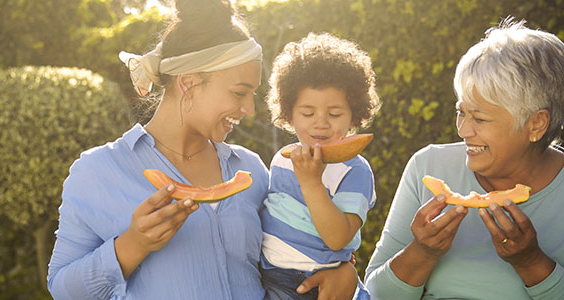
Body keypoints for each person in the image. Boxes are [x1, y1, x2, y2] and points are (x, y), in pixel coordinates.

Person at [47, 1, 359, 299]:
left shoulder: (252, 170)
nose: (249, 109)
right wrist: (132, 245)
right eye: (240, 92)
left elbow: (298, 243)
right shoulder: (98, 170)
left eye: (252, 94)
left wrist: (344, 271)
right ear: (189, 83)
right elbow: (61, 289)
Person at [364, 18, 564, 299]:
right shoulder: (427, 166)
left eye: (480, 118)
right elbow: (374, 294)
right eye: (461, 112)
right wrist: (422, 252)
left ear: (536, 124)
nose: (463, 130)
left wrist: (532, 263)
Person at [260, 32, 381, 299]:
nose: (321, 122)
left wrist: (312, 182)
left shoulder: (355, 171)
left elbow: (338, 238)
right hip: (268, 275)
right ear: (289, 113)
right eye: (308, 112)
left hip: (314, 283)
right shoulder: (282, 159)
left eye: (334, 113)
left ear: (354, 116)